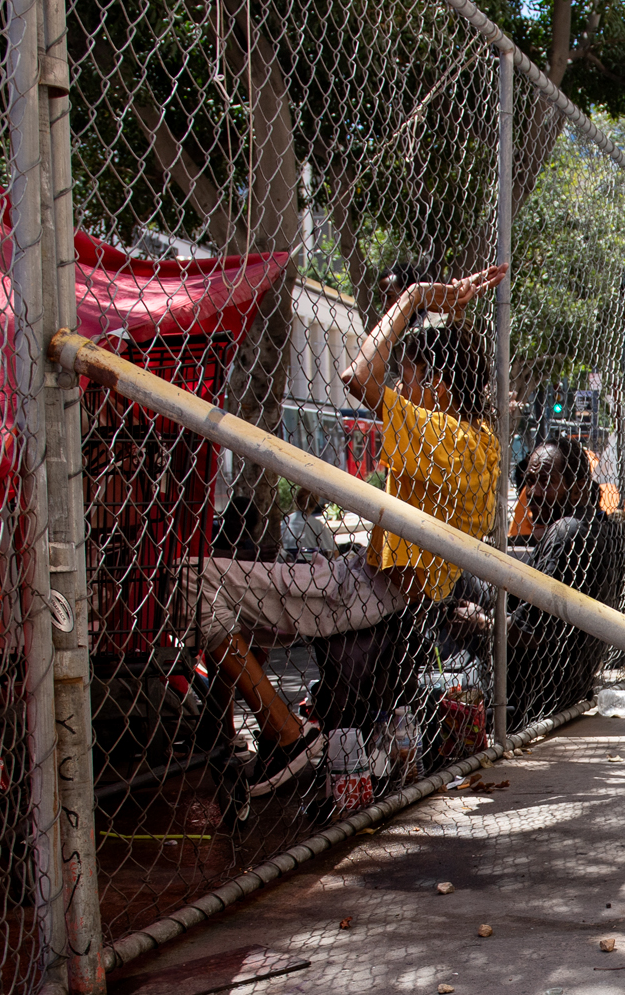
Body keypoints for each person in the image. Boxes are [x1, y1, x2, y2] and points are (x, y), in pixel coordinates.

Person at [183, 264, 505, 794]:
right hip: (392, 590)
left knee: (196, 580)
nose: (401, 386)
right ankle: (240, 735)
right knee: (245, 602)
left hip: (370, 588)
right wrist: (447, 318)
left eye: (411, 376)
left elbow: (356, 375)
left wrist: (420, 297)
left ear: (440, 387)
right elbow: (453, 365)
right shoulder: (483, 441)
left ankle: (286, 735)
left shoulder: (441, 432)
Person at [459, 439, 625, 728]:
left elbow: (530, 634)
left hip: (537, 693)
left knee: (457, 582)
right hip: (571, 684)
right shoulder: (605, 527)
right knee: (466, 574)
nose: (532, 492)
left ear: (577, 487)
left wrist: (479, 621)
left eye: (545, 481)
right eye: (530, 480)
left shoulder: (564, 532)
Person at [279, 489, 336, 562]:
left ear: (296, 500)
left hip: (287, 560)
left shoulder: (286, 521)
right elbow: (330, 549)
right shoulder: (317, 524)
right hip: (309, 561)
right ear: (316, 503)